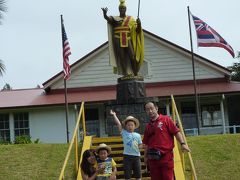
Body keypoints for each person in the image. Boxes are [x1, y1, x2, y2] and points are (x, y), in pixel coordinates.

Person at [143, 101, 191, 180]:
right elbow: (147, 144)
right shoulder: (147, 126)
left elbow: (176, 132)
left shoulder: (166, 119)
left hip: (166, 157)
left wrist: (183, 143)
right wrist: (145, 157)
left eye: (151, 108)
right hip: (152, 159)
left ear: (156, 108)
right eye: (147, 109)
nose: (150, 111)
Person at [101, 0, 144, 76]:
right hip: (117, 39)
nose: (122, 10)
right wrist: (105, 14)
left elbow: (137, 31)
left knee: (132, 56)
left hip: (127, 38)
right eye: (120, 8)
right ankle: (125, 74)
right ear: (119, 9)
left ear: (125, 9)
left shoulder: (130, 19)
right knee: (122, 56)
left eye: (123, 8)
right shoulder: (115, 18)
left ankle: (135, 73)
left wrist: (139, 23)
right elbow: (107, 18)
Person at [110, 110, 144, 180]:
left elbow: (140, 145)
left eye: (132, 125)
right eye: (128, 125)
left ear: (135, 126)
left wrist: (142, 146)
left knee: (138, 175)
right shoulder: (124, 133)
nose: (130, 126)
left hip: (136, 157)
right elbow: (119, 124)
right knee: (127, 175)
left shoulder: (138, 135)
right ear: (125, 126)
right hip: (127, 157)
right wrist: (114, 115)